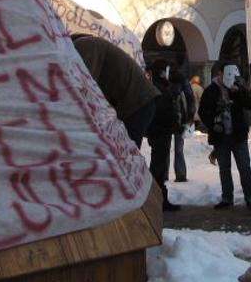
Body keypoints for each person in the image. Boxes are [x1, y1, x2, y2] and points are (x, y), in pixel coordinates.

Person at [71, 34, 158, 145]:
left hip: (138, 103)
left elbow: (84, 86)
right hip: (138, 102)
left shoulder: (83, 46)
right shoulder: (88, 45)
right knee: (123, 148)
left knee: (126, 149)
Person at [198, 62, 251, 210]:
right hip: (221, 136)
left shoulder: (238, 88)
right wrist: (213, 124)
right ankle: (227, 197)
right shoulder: (211, 90)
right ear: (219, 73)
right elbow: (202, 111)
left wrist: (238, 92)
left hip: (238, 134)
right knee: (224, 168)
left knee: (244, 167)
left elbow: (250, 104)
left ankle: (250, 196)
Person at [145, 59, 182, 212]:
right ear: (162, 71)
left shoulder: (159, 86)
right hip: (160, 132)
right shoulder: (159, 88)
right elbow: (162, 112)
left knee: (159, 166)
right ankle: (158, 199)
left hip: (160, 131)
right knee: (158, 167)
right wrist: (173, 122)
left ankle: (159, 198)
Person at [168, 58, 194, 183]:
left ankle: (164, 175)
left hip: (168, 116)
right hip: (180, 116)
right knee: (178, 148)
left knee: (166, 147)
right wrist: (190, 115)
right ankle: (180, 174)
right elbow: (190, 97)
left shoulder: (165, 79)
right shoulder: (182, 79)